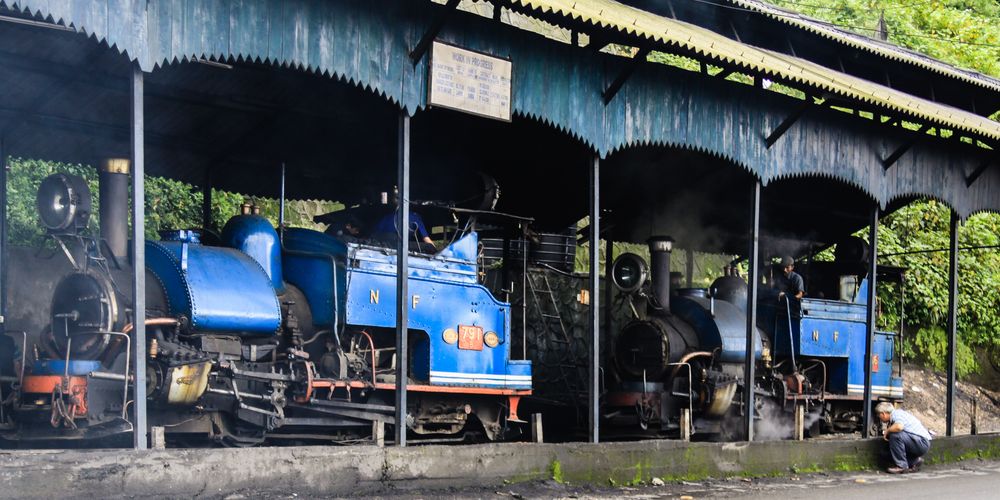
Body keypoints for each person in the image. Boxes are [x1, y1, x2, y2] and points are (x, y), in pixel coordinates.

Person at [876, 401, 932, 474]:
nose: (879, 417)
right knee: (885, 452)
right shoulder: (895, 416)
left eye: (878, 415)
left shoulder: (896, 414)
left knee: (895, 435)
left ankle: (901, 466)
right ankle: (915, 461)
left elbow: (899, 427)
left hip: (922, 442)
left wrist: (887, 431)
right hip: (916, 441)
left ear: (883, 414)